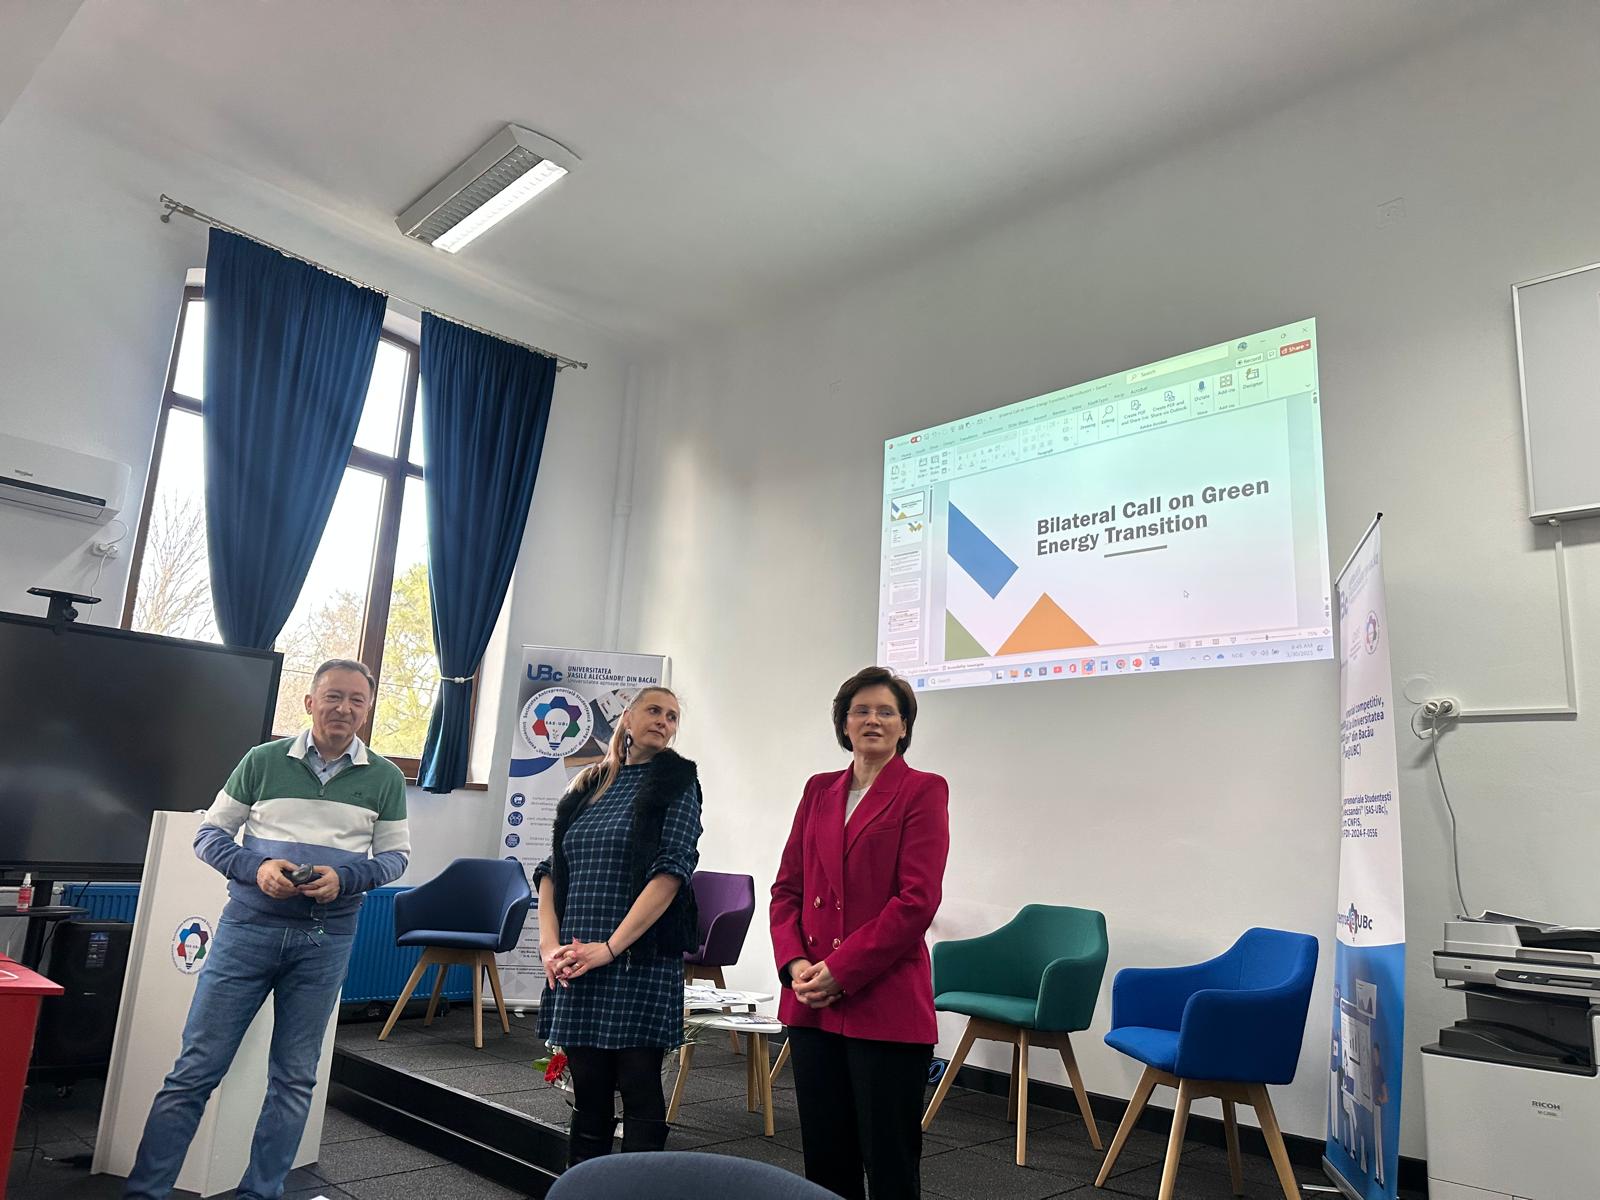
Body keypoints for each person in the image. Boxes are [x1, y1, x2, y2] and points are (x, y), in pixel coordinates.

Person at [126, 659, 409, 1200]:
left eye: (356, 699)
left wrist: (346, 878)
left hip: (325, 940)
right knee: (195, 1070)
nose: (344, 708)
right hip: (247, 930)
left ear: (368, 709)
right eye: (333, 696)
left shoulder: (386, 777)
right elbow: (209, 836)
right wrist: (255, 869)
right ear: (310, 702)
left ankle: (260, 1193)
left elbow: (396, 858)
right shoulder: (262, 761)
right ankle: (145, 1193)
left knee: (294, 1079)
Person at [770, 665, 950, 1200]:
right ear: (844, 723)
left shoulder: (923, 790)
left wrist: (841, 970)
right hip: (811, 1001)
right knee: (826, 1159)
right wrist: (795, 965)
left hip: (883, 1000)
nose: (873, 720)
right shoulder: (818, 789)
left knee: (890, 1162)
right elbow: (787, 889)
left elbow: (917, 901)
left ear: (904, 726)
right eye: (861, 711)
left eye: (886, 712)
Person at [533, 686, 702, 1165]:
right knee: (588, 1091)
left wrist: (609, 948)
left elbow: (672, 872)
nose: (664, 721)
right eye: (654, 710)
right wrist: (549, 946)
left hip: (636, 957)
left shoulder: (677, 780)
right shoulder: (588, 783)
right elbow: (551, 870)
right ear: (627, 717)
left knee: (639, 1087)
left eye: (672, 716)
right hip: (576, 956)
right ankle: (583, 1187)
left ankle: (639, 1189)